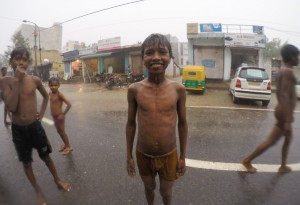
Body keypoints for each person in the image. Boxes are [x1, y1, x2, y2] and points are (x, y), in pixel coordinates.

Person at [0, 47, 71, 205]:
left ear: (28, 62)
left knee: (46, 156)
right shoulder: (5, 82)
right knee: (26, 163)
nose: (21, 62)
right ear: (11, 61)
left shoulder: (34, 80)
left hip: (34, 127)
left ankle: (57, 180)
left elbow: (45, 96)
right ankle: (38, 191)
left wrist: (41, 113)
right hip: (18, 130)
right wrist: (17, 81)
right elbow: (11, 107)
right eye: (17, 58)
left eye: (25, 59)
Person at [126, 33, 188, 205]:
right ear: (143, 57)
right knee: (149, 188)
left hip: (169, 154)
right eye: (149, 52)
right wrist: (128, 156)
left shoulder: (178, 90)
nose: (156, 57)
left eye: (162, 52)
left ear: (170, 57)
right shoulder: (134, 90)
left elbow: (183, 124)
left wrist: (183, 156)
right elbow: (131, 124)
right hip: (142, 154)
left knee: (166, 192)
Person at [241, 44, 299, 173]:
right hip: (284, 112)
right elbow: (284, 94)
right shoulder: (288, 71)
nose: (298, 58)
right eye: (297, 56)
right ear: (291, 57)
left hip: (283, 110)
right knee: (271, 141)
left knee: (288, 138)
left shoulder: (283, 70)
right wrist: (288, 121)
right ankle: (247, 160)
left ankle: (283, 165)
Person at [48, 77, 73, 155]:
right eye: (51, 85)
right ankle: (65, 145)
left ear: (59, 86)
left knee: (62, 132)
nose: (53, 87)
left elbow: (69, 104)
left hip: (59, 117)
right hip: (54, 117)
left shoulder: (60, 95)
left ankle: (69, 147)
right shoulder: (50, 93)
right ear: (49, 85)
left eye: (55, 85)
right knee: (59, 132)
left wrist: (63, 114)